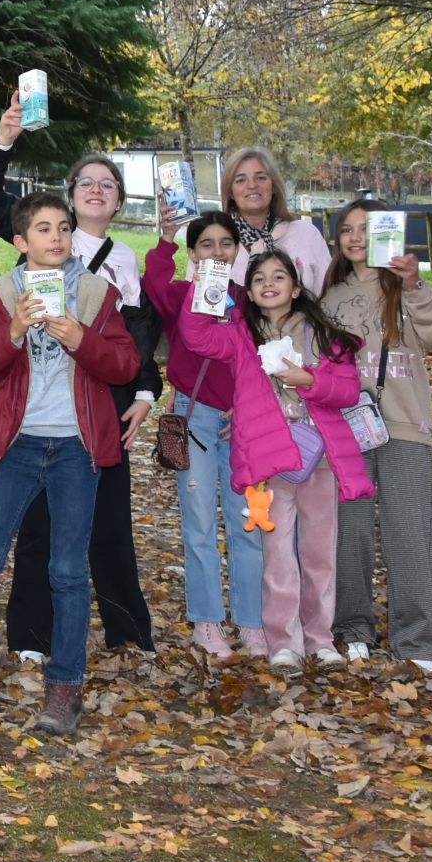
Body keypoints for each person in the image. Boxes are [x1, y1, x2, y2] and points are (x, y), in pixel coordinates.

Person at [0, 192, 138, 734]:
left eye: (63, 228)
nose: (56, 237)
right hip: (17, 447)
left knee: (67, 571)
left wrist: (81, 339)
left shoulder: (94, 293)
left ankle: (64, 690)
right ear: (21, 242)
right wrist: (13, 330)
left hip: (75, 449)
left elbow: (125, 364)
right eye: (43, 229)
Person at [0, 106, 162, 663]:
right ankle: (32, 637)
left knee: (109, 525)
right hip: (42, 405)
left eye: (108, 185)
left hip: (107, 397)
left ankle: (126, 632)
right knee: (38, 528)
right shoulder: (44, 236)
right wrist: (3, 139)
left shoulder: (126, 259)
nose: (97, 191)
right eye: (86, 183)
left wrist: (146, 392)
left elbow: (139, 334)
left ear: (119, 200)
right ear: (70, 197)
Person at [180, 250, 371, 677]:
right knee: (278, 554)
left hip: (318, 457)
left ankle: (320, 639)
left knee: (320, 553)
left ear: (296, 288)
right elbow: (196, 336)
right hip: (268, 461)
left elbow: (347, 389)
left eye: (279, 276)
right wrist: (201, 287)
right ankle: (284, 641)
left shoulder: (324, 337)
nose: (269, 284)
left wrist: (310, 380)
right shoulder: (239, 336)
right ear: (249, 292)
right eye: (260, 278)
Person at [323, 201, 432, 673]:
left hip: (405, 425)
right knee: (351, 535)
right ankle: (353, 628)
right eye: (347, 230)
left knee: (409, 535)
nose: (356, 238)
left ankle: (416, 641)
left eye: (366, 229)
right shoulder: (330, 297)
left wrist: (413, 285)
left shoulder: (406, 287)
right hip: (347, 432)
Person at [142, 208, 265, 660]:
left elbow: (262, 356)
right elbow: (153, 284)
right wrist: (166, 240)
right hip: (194, 419)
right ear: (194, 253)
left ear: (237, 251)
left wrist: (250, 407)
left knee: (247, 522)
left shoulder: (247, 299)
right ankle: (207, 622)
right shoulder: (182, 295)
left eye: (225, 244)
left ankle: (251, 623)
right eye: (207, 244)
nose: (217, 251)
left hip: (242, 423)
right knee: (199, 523)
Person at [222, 146, 331, 291]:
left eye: (261, 178)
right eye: (241, 180)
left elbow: (330, 298)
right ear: (230, 192)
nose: (252, 185)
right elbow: (193, 302)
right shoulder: (215, 243)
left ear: (273, 186)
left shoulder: (307, 234)